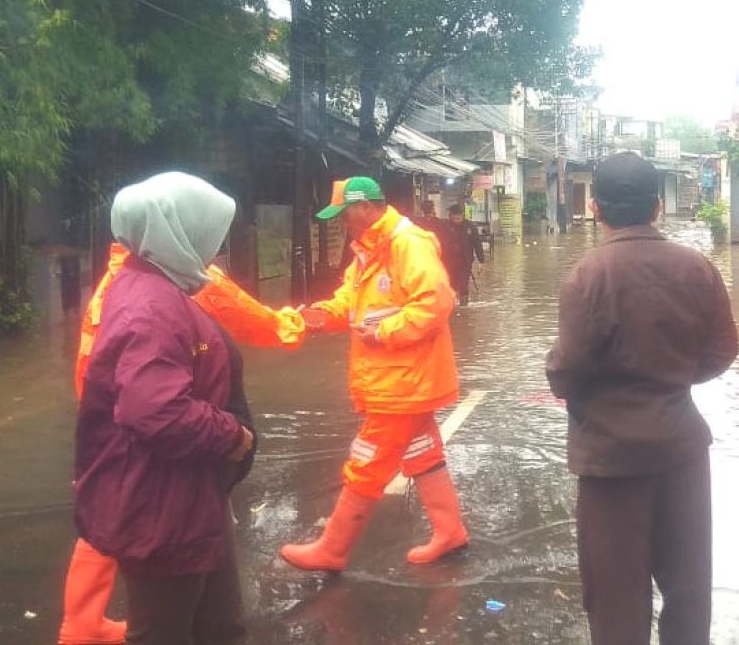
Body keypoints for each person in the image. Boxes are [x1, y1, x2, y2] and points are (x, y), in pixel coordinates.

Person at [58, 242, 304, 645]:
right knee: (166, 547)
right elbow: (243, 313)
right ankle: (88, 625)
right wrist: (293, 326)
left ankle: (81, 622)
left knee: (111, 512)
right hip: (161, 428)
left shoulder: (120, 277)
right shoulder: (176, 276)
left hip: (106, 415)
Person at [546, 152, 739, 645]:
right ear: (657, 207)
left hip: (611, 460)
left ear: (595, 208)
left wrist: (603, 393)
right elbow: (724, 350)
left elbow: (568, 372)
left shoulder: (586, 276)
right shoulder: (697, 267)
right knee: (688, 589)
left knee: (615, 600)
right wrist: (673, 378)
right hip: (682, 448)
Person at [74, 172, 258, 645]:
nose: (216, 246)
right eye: (210, 232)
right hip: (162, 504)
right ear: (177, 231)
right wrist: (232, 437)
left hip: (188, 498)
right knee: (164, 633)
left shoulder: (158, 286)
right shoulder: (152, 305)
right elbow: (154, 409)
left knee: (220, 628)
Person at [280, 176, 468, 571]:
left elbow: (436, 302)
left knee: (366, 461)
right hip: (399, 380)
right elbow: (348, 303)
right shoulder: (368, 250)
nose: (341, 222)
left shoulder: (406, 244)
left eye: (344, 214)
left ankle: (332, 549)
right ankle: (449, 531)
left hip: (403, 382)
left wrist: (383, 332)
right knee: (421, 451)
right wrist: (313, 317)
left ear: (365, 207)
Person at [441, 203, 484, 305]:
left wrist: (481, 262)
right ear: (450, 216)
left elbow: (477, 244)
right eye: (455, 216)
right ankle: (452, 307)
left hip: (465, 262)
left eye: (459, 216)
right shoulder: (444, 227)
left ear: (463, 215)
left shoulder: (470, 227)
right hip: (449, 262)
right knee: (451, 285)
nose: (457, 218)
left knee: (463, 286)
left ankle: (464, 308)